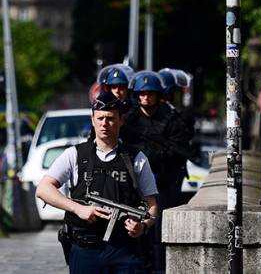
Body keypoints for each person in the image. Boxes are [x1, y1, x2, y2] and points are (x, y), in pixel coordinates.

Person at [37, 90, 159, 274]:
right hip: (86, 248)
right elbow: (44, 189)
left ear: (120, 120)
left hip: (124, 249)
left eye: (110, 118)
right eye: (100, 118)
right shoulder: (75, 154)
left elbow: (153, 207)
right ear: (93, 120)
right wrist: (78, 209)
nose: (105, 124)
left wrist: (142, 227)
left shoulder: (136, 158)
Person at [122, 71, 193, 274]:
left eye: (150, 94)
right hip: (136, 182)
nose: (146, 98)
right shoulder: (130, 119)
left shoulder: (172, 118)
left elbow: (178, 150)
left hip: (164, 181)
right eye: (142, 93)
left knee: (161, 227)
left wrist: (157, 155)